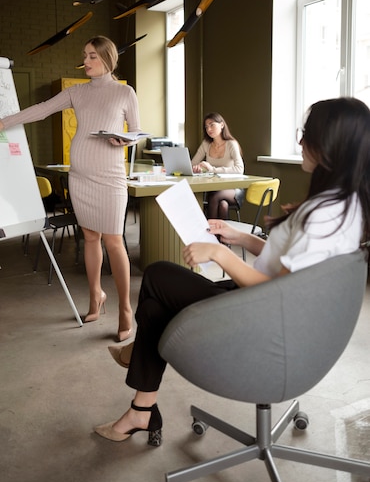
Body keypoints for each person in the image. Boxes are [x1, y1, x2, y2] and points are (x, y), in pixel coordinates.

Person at [94, 97, 370, 445]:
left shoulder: (326, 216)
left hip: (263, 314)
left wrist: (222, 256)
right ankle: (141, 409)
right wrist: (236, 235)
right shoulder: (340, 206)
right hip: (261, 304)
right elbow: (289, 263)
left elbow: (278, 286)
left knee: (158, 276)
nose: (300, 142)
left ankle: (141, 390)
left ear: (332, 145)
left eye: (307, 134)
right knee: (153, 308)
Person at [0, 35, 141, 342]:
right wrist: (1, 122)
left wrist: (125, 139)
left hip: (111, 177)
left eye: (91, 56)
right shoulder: (76, 91)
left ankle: (125, 310)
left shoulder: (124, 92)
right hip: (80, 176)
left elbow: (138, 132)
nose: (86, 61)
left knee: (114, 241)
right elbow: (41, 110)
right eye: (85, 56)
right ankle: (95, 297)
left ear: (107, 58)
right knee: (90, 237)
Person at [191, 112, 244, 219]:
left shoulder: (231, 144)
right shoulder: (206, 144)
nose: (209, 129)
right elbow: (192, 164)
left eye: (212, 125)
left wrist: (212, 169)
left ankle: (210, 233)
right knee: (223, 205)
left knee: (214, 198)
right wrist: (197, 168)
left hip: (233, 189)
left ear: (222, 125)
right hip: (214, 187)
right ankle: (222, 236)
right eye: (206, 127)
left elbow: (240, 169)